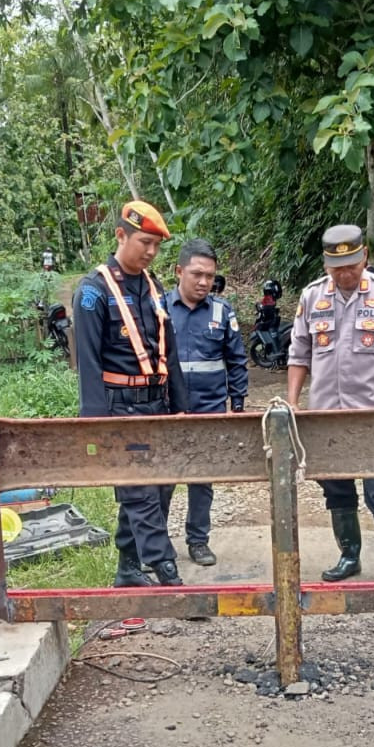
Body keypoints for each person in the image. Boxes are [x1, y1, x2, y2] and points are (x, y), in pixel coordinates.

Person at [286, 224, 374, 581]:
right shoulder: (312, 296)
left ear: (364, 256)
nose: (345, 274)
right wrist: (293, 403)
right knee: (336, 488)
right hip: (327, 414)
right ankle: (350, 556)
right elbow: (299, 353)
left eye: (351, 265)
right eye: (337, 267)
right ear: (326, 264)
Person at [74, 200, 189, 587]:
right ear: (121, 235)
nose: (151, 252)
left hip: (157, 404)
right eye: (144, 242)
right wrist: (95, 425)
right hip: (119, 408)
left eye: (157, 245)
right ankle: (166, 569)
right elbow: (87, 363)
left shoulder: (154, 288)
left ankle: (128, 569)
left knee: (159, 487)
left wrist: (181, 409)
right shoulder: (93, 292)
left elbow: (168, 352)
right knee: (139, 491)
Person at [164, 238, 249, 566]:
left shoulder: (221, 312)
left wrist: (237, 404)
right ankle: (159, 546)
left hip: (209, 410)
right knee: (163, 480)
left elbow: (236, 359)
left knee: (201, 481)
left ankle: (198, 542)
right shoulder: (159, 309)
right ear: (179, 271)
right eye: (197, 274)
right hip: (168, 411)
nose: (203, 282)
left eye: (210, 276)